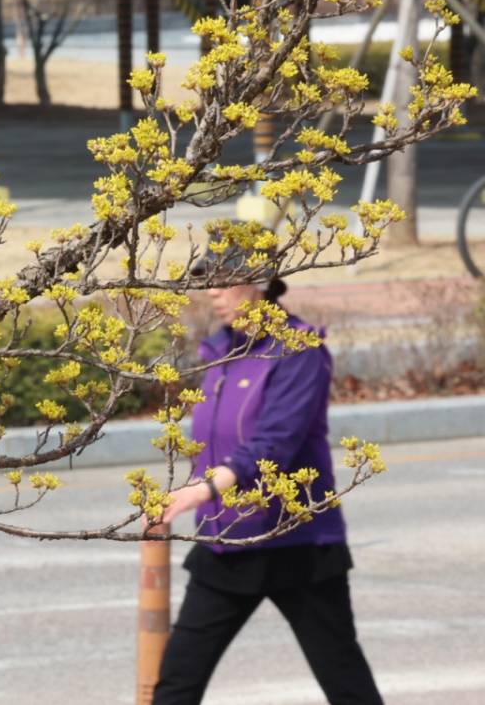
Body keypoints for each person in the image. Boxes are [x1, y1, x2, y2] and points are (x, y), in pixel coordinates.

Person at [152, 260, 383, 705]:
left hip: (298, 547)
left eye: (224, 281)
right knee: (177, 686)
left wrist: (199, 491)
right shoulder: (223, 351)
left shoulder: (298, 351)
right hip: (226, 542)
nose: (214, 293)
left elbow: (272, 444)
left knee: (346, 685)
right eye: (208, 283)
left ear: (259, 285)